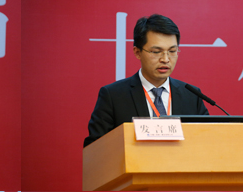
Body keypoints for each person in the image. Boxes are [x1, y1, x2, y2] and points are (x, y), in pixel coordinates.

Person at [84, 14, 209, 147]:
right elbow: (94, 148)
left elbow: (208, 141)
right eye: (156, 52)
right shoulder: (113, 96)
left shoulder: (192, 96)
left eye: (172, 51)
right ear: (137, 52)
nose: (165, 59)